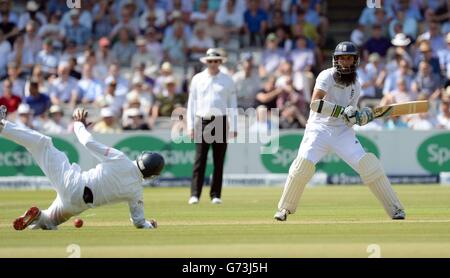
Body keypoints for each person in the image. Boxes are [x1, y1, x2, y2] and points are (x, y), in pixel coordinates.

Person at [273, 41, 406, 221]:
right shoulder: (326, 76)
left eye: (349, 58)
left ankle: (396, 209)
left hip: (342, 132)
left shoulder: (356, 84)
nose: (345, 62)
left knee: (369, 165)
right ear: (336, 60)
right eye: (342, 58)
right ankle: (284, 209)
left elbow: (350, 116)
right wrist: (342, 111)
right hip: (318, 129)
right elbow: (315, 103)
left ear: (355, 61)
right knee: (302, 165)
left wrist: (360, 117)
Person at [0, 105, 164, 230]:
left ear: (141, 157)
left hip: (73, 183)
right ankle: (37, 216)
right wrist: (150, 224)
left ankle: (3, 125)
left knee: (43, 143)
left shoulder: (121, 159)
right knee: (49, 221)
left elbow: (88, 142)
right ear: (151, 175)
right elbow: (139, 222)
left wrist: (79, 125)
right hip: (77, 205)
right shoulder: (136, 192)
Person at [186, 48, 237, 205]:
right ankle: (195, 194)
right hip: (203, 120)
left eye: (216, 61)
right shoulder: (198, 79)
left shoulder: (228, 80)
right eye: (210, 61)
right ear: (206, 62)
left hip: (220, 121)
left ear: (220, 62)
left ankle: (216, 194)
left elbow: (232, 104)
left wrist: (234, 126)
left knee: (218, 160)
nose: (213, 64)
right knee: (199, 159)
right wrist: (190, 126)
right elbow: (191, 104)